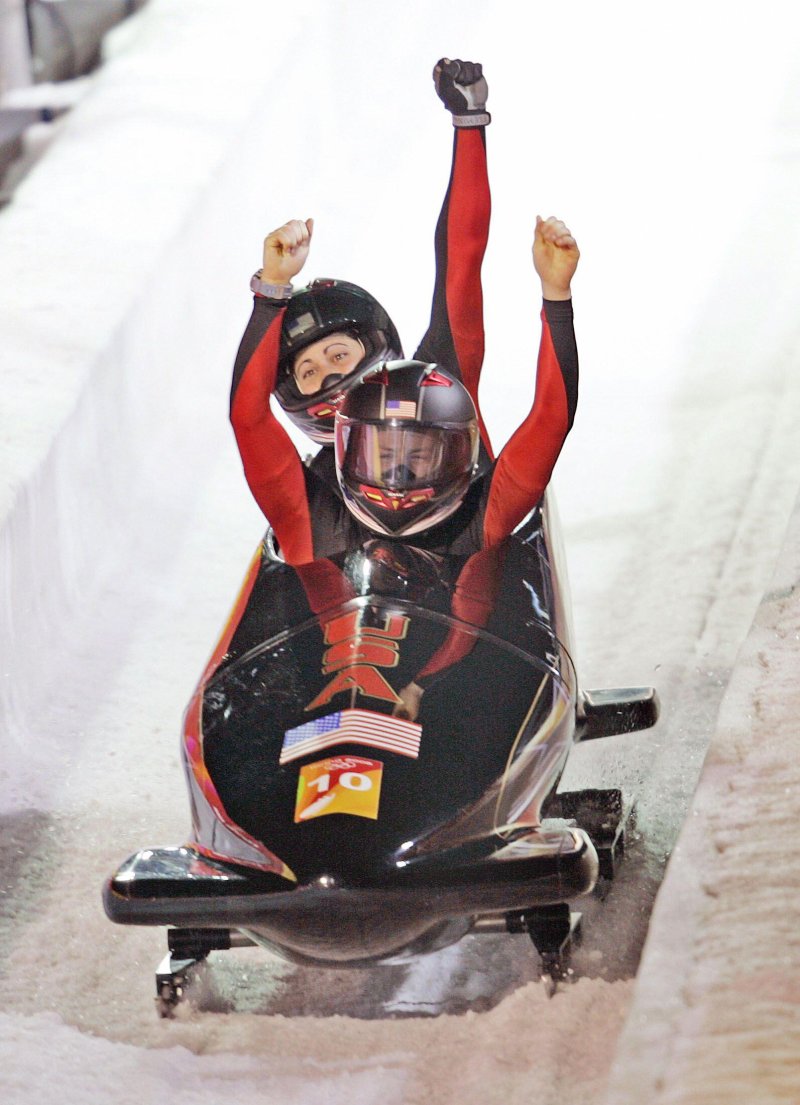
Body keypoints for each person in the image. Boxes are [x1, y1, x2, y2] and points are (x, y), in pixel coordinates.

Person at [232, 214, 579, 566]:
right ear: (347, 453)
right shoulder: (318, 520)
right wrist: (271, 287)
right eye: (381, 457)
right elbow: (249, 420)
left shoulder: (318, 525)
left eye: (418, 457)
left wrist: (557, 295)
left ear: (457, 458)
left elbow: (550, 420)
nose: (398, 477)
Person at [231, 57, 495, 491]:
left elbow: (461, 263)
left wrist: (468, 122)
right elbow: (246, 415)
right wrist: (272, 286)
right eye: (310, 372)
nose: (330, 380)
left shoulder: (443, 384)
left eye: (337, 356)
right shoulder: (308, 496)